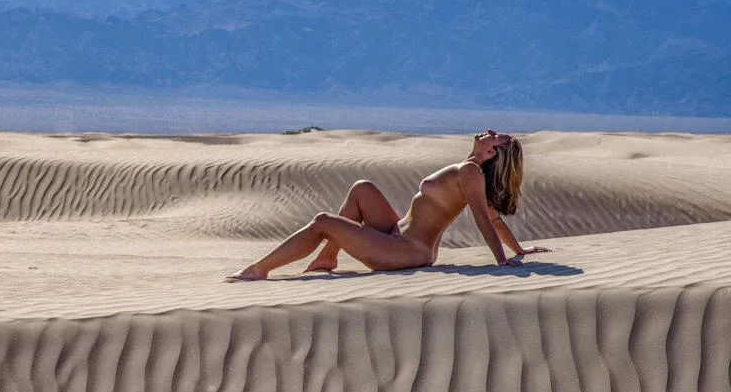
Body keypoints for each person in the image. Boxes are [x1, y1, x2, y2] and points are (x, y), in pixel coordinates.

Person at [229, 130, 550, 280]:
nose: (490, 133)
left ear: (492, 153)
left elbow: (485, 220)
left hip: (407, 250)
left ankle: (259, 270)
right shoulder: (469, 169)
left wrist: (503, 261)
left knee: (323, 221)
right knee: (362, 189)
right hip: (398, 235)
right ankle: (328, 257)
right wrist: (519, 252)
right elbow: (495, 220)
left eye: (497, 138)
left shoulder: (470, 173)